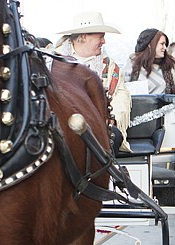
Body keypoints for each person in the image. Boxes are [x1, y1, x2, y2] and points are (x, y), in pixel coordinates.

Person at [55, 11, 131, 154]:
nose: (104, 42)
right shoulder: (54, 61)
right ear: (84, 37)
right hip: (60, 125)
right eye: (100, 37)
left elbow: (121, 96)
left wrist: (112, 118)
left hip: (99, 124)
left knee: (113, 136)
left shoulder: (109, 67)